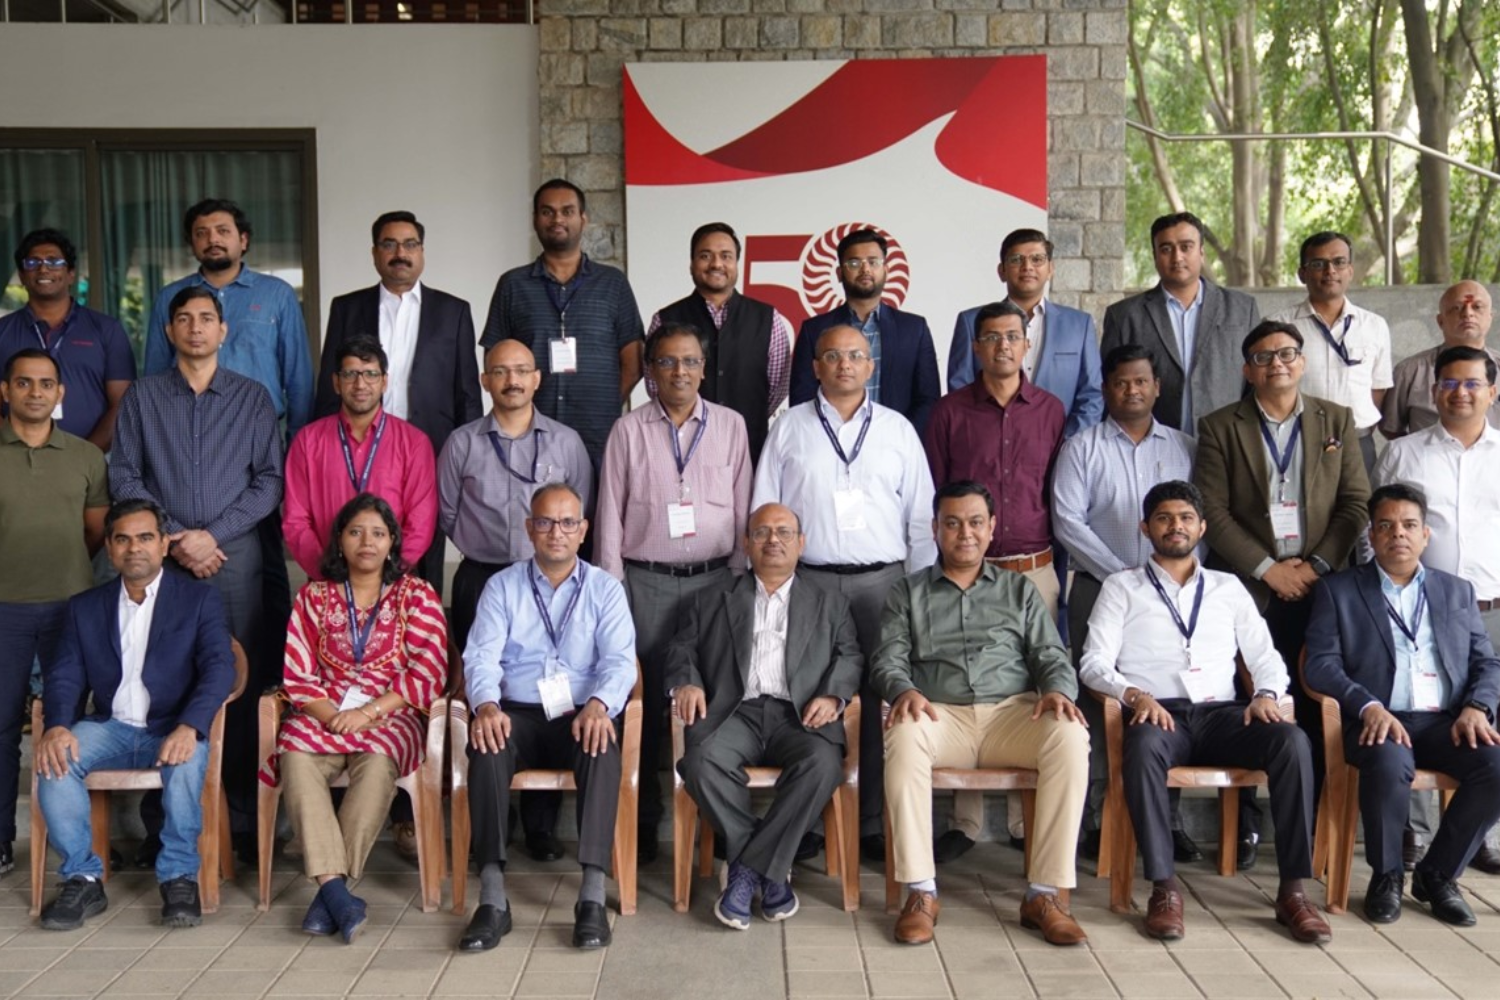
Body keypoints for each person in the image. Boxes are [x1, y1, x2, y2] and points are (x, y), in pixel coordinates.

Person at [1079, 481, 1328, 943]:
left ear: (1202, 527)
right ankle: (1164, 888)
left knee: (1293, 743)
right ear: (1145, 528)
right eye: (1164, 518)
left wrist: (1268, 694)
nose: (1176, 526)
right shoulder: (1121, 587)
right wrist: (1133, 695)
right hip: (1159, 714)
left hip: (1224, 714)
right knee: (1144, 745)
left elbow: (1265, 655)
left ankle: (1293, 890)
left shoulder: (1228, 587)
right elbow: (1093, 662)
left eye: (1185, 518)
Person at [873, 481, 1090, 947]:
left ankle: (1044, 894)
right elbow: (888, 658)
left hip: (1013, 716)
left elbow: (1050, 654)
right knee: (904, 734)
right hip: (939, 715)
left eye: (975, 522)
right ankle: (920, 892)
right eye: (952, 523)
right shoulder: (906, 593)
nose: (964, 533)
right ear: (935, 529)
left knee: (1069, 735)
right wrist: (903, 688)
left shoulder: (1019, 591)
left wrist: (1056, 689)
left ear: (992, 529)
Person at [753, 324, 936, 861]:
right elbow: (766, 508)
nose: (845, 365)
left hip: (884, 582)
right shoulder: (789, 428)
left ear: (871, 366)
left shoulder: (898, 430)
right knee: (806, 695)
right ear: (815, 366)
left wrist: (917, 589)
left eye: (856, 355)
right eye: (832, 356)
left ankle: (874, 823)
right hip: (807, 581)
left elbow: (922, 517)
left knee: (882, 699)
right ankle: (807, 821)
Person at [111, 285, 284, 852]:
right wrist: (176, 537)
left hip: (233, 559)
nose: (195, 328)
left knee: (238, 678)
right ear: (168, 331)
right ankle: (166, 822)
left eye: (206, 319)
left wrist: (214, 534)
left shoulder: (252, 397)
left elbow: (269, 481)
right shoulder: (142, 397)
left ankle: (237, 816)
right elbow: (127, 475)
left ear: (223, 330)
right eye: (183, 319)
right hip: (164, 562)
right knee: (165, 679)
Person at [1193, 319, 1370, 819]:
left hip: (1322, 588)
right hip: (1250, 589)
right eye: (1265, 357)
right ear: (1248, 370)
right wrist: (1269, 569)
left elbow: (1356, 503)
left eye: (1287, 354)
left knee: (1316, 701)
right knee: (1245, 700)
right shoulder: (1220, 425)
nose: (1278, 364)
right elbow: (1214, 510)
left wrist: (1315, 565)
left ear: (1303, 361)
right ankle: (1244, 822)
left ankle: (1313, 820)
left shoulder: (1336, 420)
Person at [35, 499, 236, 931]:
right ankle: (83, 877)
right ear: (109, 548)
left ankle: (180, 878)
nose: (134, 549)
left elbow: (220, 667)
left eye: (145, 537)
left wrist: (190, 725)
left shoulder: (198, 600)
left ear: (164, 544)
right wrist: (56, 726)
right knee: (54, 762)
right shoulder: (84, 607)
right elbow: (66, 676)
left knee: (184, 763)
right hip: (110, 726)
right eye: (122, 539)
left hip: (172, 725)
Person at [1304, 483, 1500, 927]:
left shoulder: (1456, 591)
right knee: (1390, 763)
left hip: (1445, 721)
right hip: (1376, 720)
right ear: (1370, 536)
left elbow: (1486, 662)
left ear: (1426, 535)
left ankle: (1437, 874)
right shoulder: (1339, 591)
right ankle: (1387, 875)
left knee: (1496, 765)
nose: (1399, 535)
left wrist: (1478, 708)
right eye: (1386, 526)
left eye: (1410, 525)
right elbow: (1320, 665)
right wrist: (1368, 704)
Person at [595, 321, 752, 863]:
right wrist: (612, 587)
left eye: (689, 362)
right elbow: (609, 511)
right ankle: (643, 823)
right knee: (640, 703)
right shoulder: (628, 430)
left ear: (704, 369)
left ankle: (715, 822)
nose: (679, 372)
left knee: (709, 699)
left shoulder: (732, 427)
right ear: (649, 373)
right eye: (666, 362)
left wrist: (737, 579)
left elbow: (744, 501)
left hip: (715, 583)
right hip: (645, 583)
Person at [260, 494, 446, 943]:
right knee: (294, 754)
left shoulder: (415, 594)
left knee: (377, 766)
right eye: (356, 532)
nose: (367, 542)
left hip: (389, 714)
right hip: (323, 711)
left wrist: (368, 711)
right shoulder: (314, 595)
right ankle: (337, 892)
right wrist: (334, 713)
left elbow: (430, 666)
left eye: (378, 533)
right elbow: (297, 671)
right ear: (339, 541)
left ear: (392, 543)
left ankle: (329, 892)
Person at [665, 503, 862, 929]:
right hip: (735, 711)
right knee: (700, 761)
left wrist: (833, 695)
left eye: (784, 532)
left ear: (801, 543)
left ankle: (746, 871)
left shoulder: (830, 602)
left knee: (822, 764)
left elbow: (850, 655)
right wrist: (688, 683)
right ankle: (772, 869)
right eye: (761, 532)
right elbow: (681, 650)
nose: (773, 540)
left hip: (800, 714)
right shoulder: (714, 599)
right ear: (745, 543)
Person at [459, 483, 636, 952]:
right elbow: (480, 657)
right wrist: (487, 705)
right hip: (516, 711)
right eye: (545, 522)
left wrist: (600, 705)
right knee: (487, 743)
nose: (556, 532)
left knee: (601, 743)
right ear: (528, 529)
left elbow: (620, 661)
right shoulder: (502, 586)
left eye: (567, 523)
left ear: (583, 531)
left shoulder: (605, 589)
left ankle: (592, 896)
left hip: (581, 712)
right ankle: (494, 898)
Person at [1051, 344, 1200, 860]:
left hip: (1176, 592)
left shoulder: (1184, 447)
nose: (1132, 390)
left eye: (1141, 381)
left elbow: (1197, 518)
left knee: (1168, 696)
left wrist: (1162, 578)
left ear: (1156, 386)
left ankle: (1169, 821)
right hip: (1100, 584)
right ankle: (1097, 821)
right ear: (1107, 390)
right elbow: (1068, 521)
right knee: (1098, 700)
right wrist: (1127, 577)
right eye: (1121, 383)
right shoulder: (1082, 447)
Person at [1371, 344, 1500, 874]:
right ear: (1433, 391)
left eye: (1472, 383)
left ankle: (1478, 838)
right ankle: (1416, 835)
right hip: (1421, 607)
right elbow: (1377, 526)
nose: (1460, 393)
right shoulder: (1405, 454)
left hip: (1492, 605)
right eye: (1449, 384)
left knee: (1487, 724)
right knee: (1422, 710)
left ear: (1493, 391)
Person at [316, 211, 483, 592]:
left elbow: (467, 395)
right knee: (355, 543)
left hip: (429, 452)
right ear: (375, 253)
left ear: (422, 252)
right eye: (389, 244)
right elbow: (329, 386)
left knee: (423, 553)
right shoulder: (347, 307)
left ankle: (421, 637)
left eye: (409, 244)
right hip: (356, 450)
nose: (399, 253)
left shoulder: (453, 311)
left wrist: (467, 461)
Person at [0, 349, 109, 875]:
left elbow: (95, 532)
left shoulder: (86, 456)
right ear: (6, 391)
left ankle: (78, 849)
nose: (35, 392)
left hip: (72, 610)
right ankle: (2, 843)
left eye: (46, 384)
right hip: (4, 610)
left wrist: (65, 571)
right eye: (24, 383)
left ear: (60, 393)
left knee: (72, 728)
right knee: (1, 731)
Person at [439, 338, 594, 653]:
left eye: (521, 371)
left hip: (549, 578)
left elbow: (582, 508)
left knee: (547, 671)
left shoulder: (566, 442)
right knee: (478, 673)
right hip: (478, 578)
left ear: (536, 378)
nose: (512, 381)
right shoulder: (461, 443)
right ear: (485, 381)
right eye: (500, 371)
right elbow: (447, 512)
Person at [480, 179, 645, 466]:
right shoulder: (512, 285)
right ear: (535, 220)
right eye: (547, 211)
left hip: (598, 435)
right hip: (527, 433)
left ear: (583, 219)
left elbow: (633, 360)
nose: (557, 218)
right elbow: (495, 358)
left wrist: (603, 404)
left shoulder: (613, 284)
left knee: (594, 510)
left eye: (567, 211)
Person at [143, 198, 312, 436]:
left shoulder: (277, 294)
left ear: (243, 240)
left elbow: (298, 377)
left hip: (258, 431)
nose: (213, 240)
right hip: (186, 432)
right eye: (202, 233)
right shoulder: (170, 297)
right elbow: (155, 375)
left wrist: (298, 443)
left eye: (223, 231)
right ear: (192, 244)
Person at [284, 336, 436, 581]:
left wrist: (387, 573)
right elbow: (296, 520)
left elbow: (421, 522)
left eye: (371, 374)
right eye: (350, 374)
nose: (360, 384)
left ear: (385, 381)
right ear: (336, 382)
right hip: (326, 582)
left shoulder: (414, 443)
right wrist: (327, 571)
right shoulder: (307, 442)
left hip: (393, 582)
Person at [1100, 212, 1259, 434]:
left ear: (1202, 252)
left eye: (1186, 247)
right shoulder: (1124, 316)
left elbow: (1257, 381)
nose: (1177, 257)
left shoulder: (1242, 308)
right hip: (1150, 447)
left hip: (1226, 442)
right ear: (1155, 256)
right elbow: (1110, 388)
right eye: (1166, 249)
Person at [647, 222, 792, 462]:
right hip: (679, 448)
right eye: (705, 256)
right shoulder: (664, 319)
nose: (716, 264)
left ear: (736, 264)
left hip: (748, 448)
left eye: (726, 256)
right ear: (691, 264)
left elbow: (777, 387)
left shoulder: (768, 319)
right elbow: (656, 384)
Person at [944, 228, 1103, 438]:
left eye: (1037, 259)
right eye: (1017, 259)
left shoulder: (1079, 325)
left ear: (1051, 269)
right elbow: (960, 390)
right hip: (989, 449)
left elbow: (1091, 395)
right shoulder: (970, 321)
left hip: (1062, 451)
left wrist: (1066, 446)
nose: (1027, 267)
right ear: (1001, 271)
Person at [788, 229, 941, 436]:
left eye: (873, 262)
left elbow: (928, 398)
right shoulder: (814, 330)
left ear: (886, 270)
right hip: (830, 444)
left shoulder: (914, 329)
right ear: (840, 274)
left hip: (895, 447)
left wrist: (901, 438)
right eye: (854, 263)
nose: (865, 269)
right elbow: (802, 398)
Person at [1266, 232, 1392, 474]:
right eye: (1318, 264)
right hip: (1296, 441)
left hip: (1357, 442)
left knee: (1357, 510)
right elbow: (1268, 386)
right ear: (1302, 274)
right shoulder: (1278, 325)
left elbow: (1378, 388)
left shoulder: (1374, 326)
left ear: (1350, 270)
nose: (1330, 270)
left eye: (1338, 262)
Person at [0, 229, 135, 451]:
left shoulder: (106, 329)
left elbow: (123, 405)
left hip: (92, 463)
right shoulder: (3, 331)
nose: (43, 268)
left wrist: (84, 458)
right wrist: (16, 453)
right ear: (22, 276)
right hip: (16, 464)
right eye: (33, 262)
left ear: (71, 273)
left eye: (54, 261)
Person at [1380, 281, 1499, 438]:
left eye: (1477, 307)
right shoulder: (1410, 371)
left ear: (1490, 318)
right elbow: (1391, 428)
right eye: (1457, 308)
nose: (1467, 313)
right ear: (1440, 321)